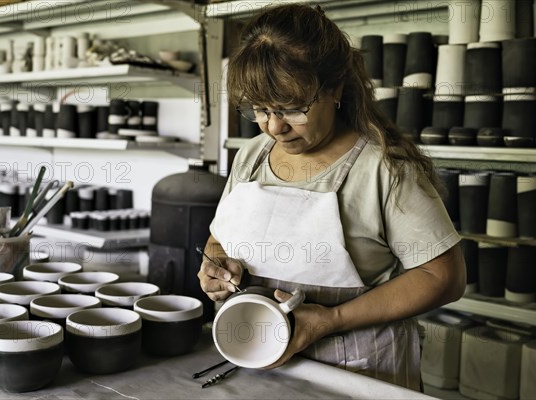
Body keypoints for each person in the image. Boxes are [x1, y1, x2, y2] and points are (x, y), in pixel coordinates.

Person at [198, 3, 466, 391]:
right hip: (263, 361)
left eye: (293, 108)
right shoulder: (251, 156)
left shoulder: (384, 168)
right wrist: (216, 267)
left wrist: (331, 319)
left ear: (334, 88)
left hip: (358, 370)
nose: (275, 127)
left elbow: (444, 277)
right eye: (260, 109)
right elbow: (219, 239)